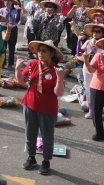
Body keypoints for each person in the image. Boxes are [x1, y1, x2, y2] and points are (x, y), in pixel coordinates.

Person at [16, 40, 66, 176]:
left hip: (48, 108)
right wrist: (18, 69)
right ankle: (31, 157)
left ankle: (46, 161)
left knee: (47, 136)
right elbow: (21, 81)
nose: (40, 54)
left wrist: (60, 78)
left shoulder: (57, 70)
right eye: (39, 51)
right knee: (30, 133)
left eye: (44, 51)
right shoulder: (33, 65)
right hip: (30, 104)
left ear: (51, 54)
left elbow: (59, 93)